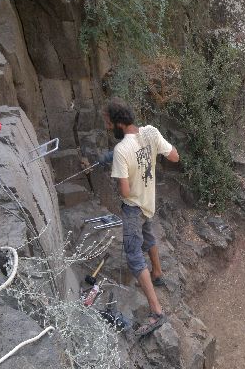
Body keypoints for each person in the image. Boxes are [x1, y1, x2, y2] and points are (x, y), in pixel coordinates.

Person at [100, 97, 179, 336]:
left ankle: (156, 310)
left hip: (133, 207)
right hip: (148, 201)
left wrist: (118, 168)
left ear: (118, 124)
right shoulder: (150, 132)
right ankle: (157, 273)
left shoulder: (121, 150)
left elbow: (125, 191)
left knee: (134, 255)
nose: (107, 127)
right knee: (148, 235)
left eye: (108, 123)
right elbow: (174, 156)